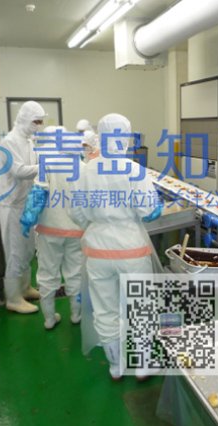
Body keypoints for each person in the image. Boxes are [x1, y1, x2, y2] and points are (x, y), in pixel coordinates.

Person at [70, 113, 162, 380]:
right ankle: (143, 364)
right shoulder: (134, 170)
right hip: (132, 250)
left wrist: (97, 223)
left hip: (97, 251)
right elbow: (148, 211)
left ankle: (115, 366)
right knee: (140, 307)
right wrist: (155, 208)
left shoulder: (85, 171)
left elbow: (76, 214)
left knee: (105, 309)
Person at [28, 126, 85, 330]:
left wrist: (28, 217)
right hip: (76, 230)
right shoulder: (82, 166)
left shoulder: (47, 163)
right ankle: (76, 315)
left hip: (49, 229)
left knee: (47, 274)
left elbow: (38, 194)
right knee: (75, 273)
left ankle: (50, 318)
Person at [0, 101, 45, 314]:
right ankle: (13, 298)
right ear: (25, 118)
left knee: (27, 249)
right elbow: (18, 171)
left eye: (40, 122)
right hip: (11, 205)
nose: (38, 126)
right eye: (36, 121)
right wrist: (46, 166)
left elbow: (35, 164)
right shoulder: (9, 141)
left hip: (25, 202)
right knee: (15, 251)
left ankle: (25, 288)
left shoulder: (29, 141)